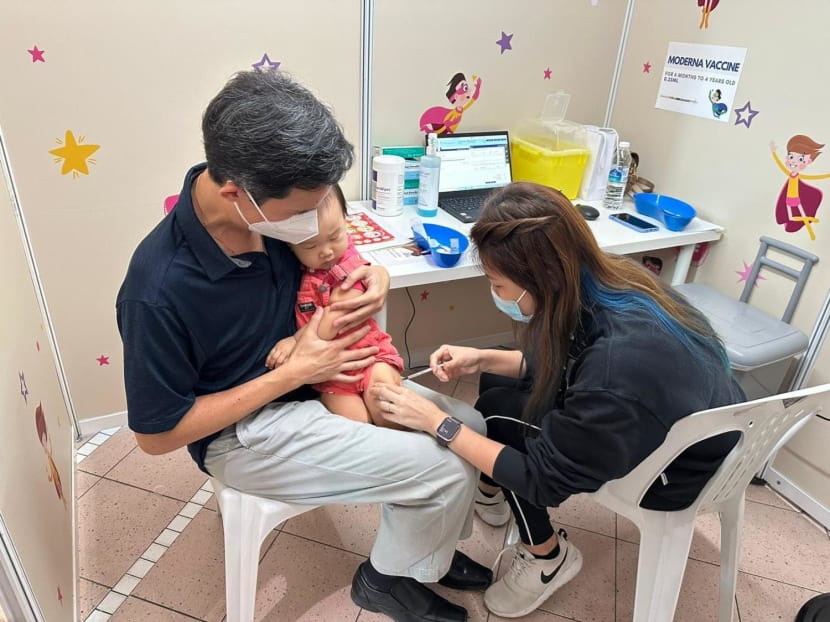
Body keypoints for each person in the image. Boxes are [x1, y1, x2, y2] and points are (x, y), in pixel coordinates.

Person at [116, 69, 492, 622]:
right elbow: (155, 436)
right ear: (236, 194)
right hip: (244, 430)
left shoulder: (275, 210)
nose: (311, 224)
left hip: (315, 380)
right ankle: (385, 581)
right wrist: (292, 374)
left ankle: (422, 548)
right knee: (442, 462)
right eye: (300, 213)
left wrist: (374, 274)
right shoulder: (159, 291)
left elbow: (335, 255)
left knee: (471, 428)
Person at [369, 182, 746, 619]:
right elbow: (572, 362)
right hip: (694, 425)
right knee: (494, 385)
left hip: (675, 469)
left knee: (499, 420)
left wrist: (438, 422)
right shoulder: (618, 283)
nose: (498, 295)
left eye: (498, 283)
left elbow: (542, 479)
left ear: (541, 279)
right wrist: (483, 357)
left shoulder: (615, 369)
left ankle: (548, 557)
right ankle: (491, 491)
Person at [266, 183, 405, 428]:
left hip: (371, 356)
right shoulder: (297, 270)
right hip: (332, 375)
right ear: (289, 245)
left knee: (386, 405)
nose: (327, 251)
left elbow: (337, 318)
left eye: (335, 236)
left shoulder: (348, 264)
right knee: (357, 426)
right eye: (310, 246)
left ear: (345, 220)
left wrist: (294, 342)